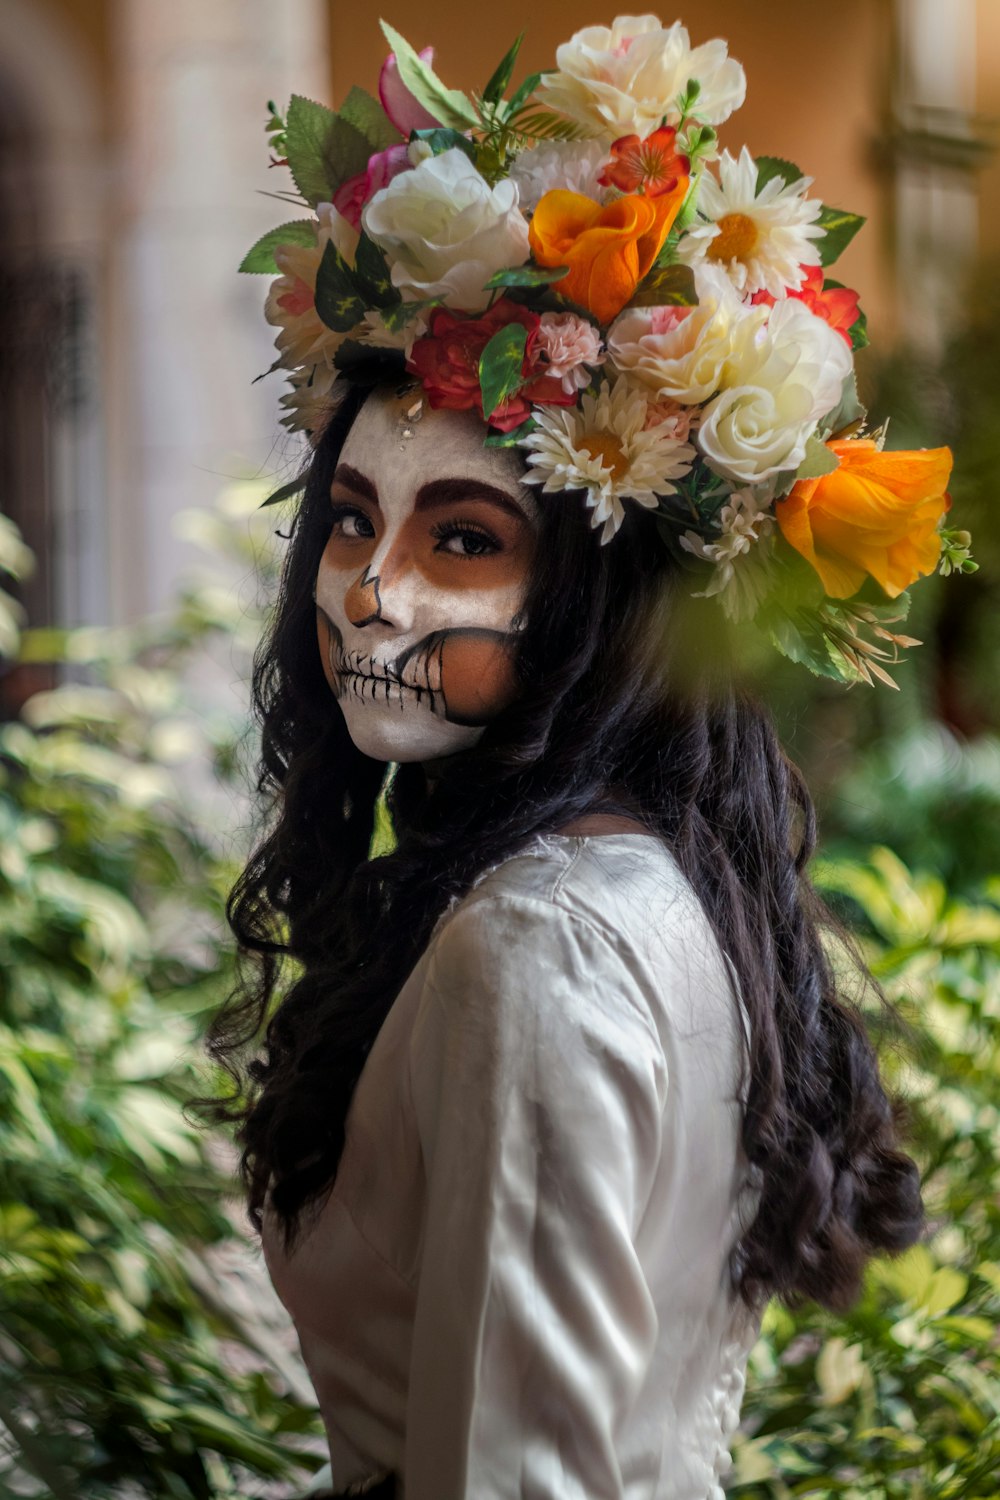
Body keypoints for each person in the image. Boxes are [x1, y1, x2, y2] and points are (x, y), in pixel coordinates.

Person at [214, 14, 966, 1498]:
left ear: (595, 601)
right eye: (354, 517)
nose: (373, 587)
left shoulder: (538, 948)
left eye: (467, 540)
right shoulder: (643, 887)